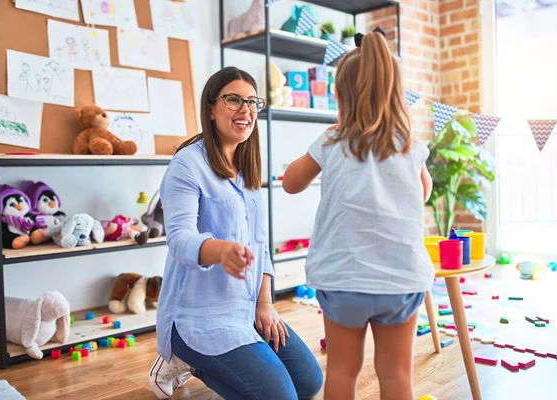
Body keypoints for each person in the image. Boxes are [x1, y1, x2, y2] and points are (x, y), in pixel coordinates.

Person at [150, 66, 323, 400]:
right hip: (196, 319)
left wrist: (265, 304)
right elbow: (179, 238)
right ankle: (187, 357)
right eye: (234, 100)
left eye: (252, 102)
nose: (246, 109)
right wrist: (220, 250)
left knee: (308, 382)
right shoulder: (187, 164)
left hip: (245, 310)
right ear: (211, 108)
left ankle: (205, 365)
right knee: (280, 397)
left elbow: (261, 245)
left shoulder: (247, 170)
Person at [281, 27, 434, 400]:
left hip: (342, 278)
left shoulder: (332, 140)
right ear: (395, 93)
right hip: (400, 280)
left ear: (340, 95)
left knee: (342, 370)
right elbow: (425, 192)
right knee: (397, 375)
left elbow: (289, 183)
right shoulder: (410, 144)